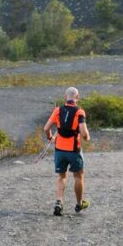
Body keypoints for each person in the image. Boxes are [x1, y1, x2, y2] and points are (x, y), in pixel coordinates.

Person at [44, 86, 90, 216]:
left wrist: (50, 137)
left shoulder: (58, 110)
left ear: (65, 97)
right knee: (78, 176)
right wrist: (87, 137)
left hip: (59, 150)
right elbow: (84, 132)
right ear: (77, 97)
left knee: (61, 176)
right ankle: (79, 204)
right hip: (74, 150)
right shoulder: (79, 112)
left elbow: (46, 128)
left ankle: (59, 202)